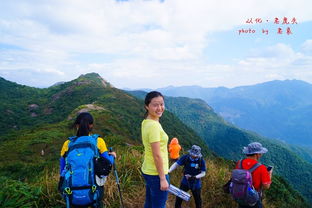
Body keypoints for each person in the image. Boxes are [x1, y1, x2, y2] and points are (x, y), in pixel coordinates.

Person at [59, 112, 116, 208]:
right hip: (94, 190)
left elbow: (62, 170)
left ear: (77, 126)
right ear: (91, 125)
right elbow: (108, 164)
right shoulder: (98, 141)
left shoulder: (67, 144)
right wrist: (113, 156)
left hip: (71, 192)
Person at [141, 91, 169, 208]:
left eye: (161, 104)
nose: (160, 108)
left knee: (150, 203)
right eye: (155, 105)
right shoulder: (153, 126)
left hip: (148, 170)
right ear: (147, 106)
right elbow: (157, 155)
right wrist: (162, 179)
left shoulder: (146, 122)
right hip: (157, 174)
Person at [235, 142, 273, 208]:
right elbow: (266, 186)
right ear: (257, 154)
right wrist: (269, 174)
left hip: (240, 196)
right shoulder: (261, 168)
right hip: (253, 199)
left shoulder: (239, 163)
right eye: (261, 153)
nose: (261, 154)